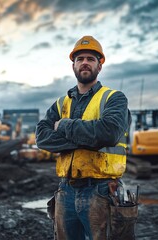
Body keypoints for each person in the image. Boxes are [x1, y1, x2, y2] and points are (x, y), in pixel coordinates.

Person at [35, 36, 135, 240]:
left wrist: (63, 126)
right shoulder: (61, 103)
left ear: (100, 65)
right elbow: (42, 138)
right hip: (65, 190)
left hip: (101, 190)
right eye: (80, 59)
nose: (85, 63)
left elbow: (109, 133)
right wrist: (91, 138)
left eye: (91, 58)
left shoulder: (114, 98)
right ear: (73, 65)